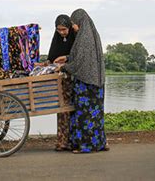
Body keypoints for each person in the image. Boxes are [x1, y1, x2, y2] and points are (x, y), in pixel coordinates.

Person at [56, 9, 108, 153]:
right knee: (96, 116)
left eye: (73, 23)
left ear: (80, 22)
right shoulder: (91, 35)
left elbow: (79, 62)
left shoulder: (84, 38)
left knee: (83, 116)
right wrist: (66, 58)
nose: (73, 26)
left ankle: (85, 146)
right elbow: (79, 56)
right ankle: (98, 143)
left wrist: (64, 66)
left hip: (86, 84)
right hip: (96, 83)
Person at [44, 14, 76, 151]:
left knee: (73, 111)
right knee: (62, 111)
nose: (62, 32)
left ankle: (74, 141)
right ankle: (62, 142)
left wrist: (66, 60)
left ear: (69, 27)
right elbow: (52, 57)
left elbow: (78, 56)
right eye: (59, 30)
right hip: (61, 82)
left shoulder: (75, 38)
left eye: (64, 29)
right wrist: (47, 62)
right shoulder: (57, 38)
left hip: (74, 79)